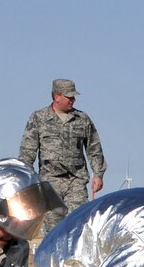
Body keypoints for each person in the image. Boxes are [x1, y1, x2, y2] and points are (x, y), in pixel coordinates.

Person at [19, 78, 107, 233]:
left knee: (78, 224)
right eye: (69, 96)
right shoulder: (38, 118)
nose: (73, 100)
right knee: (53, 229)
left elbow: (94, 148)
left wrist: (98, 174)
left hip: (76, 181)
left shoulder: (82, 119)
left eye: (74, 96)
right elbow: (27, 151)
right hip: (50, 182)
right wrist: (26, 180)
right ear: (57, 96)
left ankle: (75, 257)